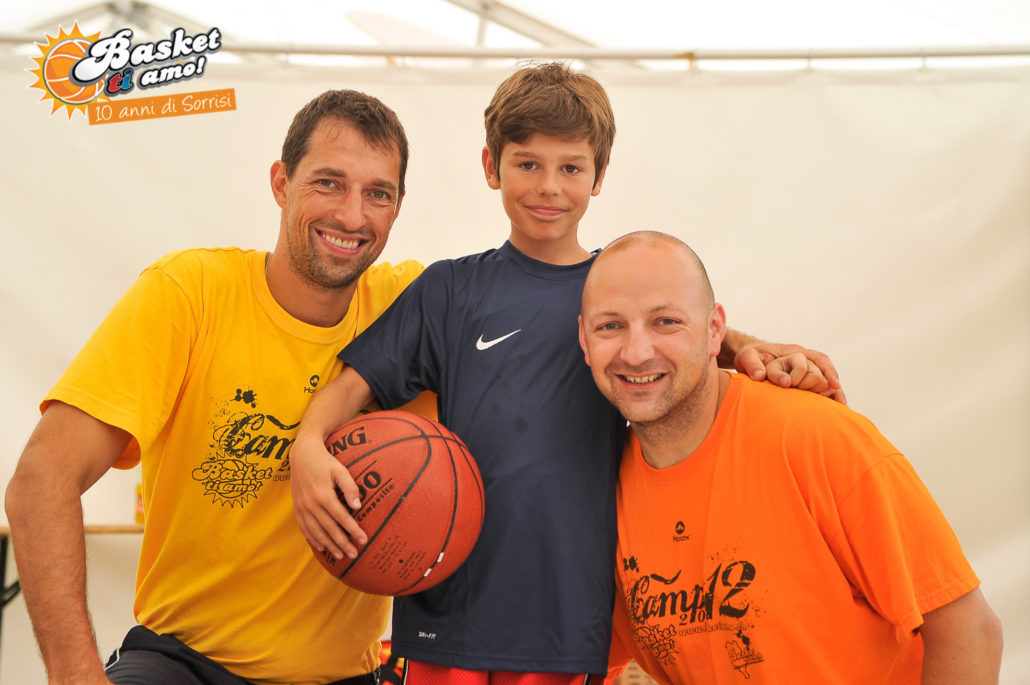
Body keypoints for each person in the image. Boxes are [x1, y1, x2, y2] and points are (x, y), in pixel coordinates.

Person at [290, 62, 843, 685]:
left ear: (599, 176)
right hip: (448, 613)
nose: (548, 187)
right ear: (491, 166)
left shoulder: (617, 292)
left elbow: (683, 338)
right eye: (527, 164)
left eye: (572, 168)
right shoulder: (448, 289)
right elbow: (350, 387)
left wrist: (746, 345)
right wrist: (307, 446)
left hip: (569, 621)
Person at [4, 89, 435, 685]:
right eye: (328, 183)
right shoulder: (190, 293)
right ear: (281, 183)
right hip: (182, 663)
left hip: (345, 675)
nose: (352, 216)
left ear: (398, 206)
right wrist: (76, 676)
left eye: (377, 194)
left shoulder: (412, 306)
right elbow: (40, 482)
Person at [577, 231, 1004, 684]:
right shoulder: (601, 489)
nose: (637, 353)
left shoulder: (817, 437)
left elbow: (970, 632)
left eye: (666, 322)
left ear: (715, 330)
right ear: (584, 340)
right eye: (610, 326)